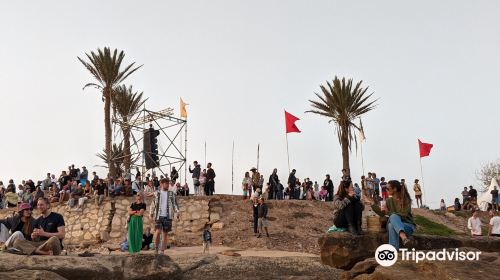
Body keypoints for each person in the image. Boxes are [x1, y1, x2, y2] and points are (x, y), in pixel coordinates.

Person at [370, 180, 415, 249]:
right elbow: (382, 213)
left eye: (388, 188)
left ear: (395, 189)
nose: (386, 190)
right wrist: (372, 204)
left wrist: (388, 212)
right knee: (392, 222)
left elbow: (403, 215)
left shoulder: (406, 200)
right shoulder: (388, 201)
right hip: (395, 225)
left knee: (392, 222)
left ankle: (393, 248)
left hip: (407, 226)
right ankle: (403, 238)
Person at [148, 178, 179, 255]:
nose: (167, 185)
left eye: (168, 183)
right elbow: (153, 204)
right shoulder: (157, 193)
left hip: (168, 216)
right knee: (158, 232)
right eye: (166, 183)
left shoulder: (172, 194)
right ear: (161, 184)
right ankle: (156, 248)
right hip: (158, 216)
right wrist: (151, 214)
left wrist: (177, 212)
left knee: (165, 234)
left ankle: (162, 251)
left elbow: (175, 204)